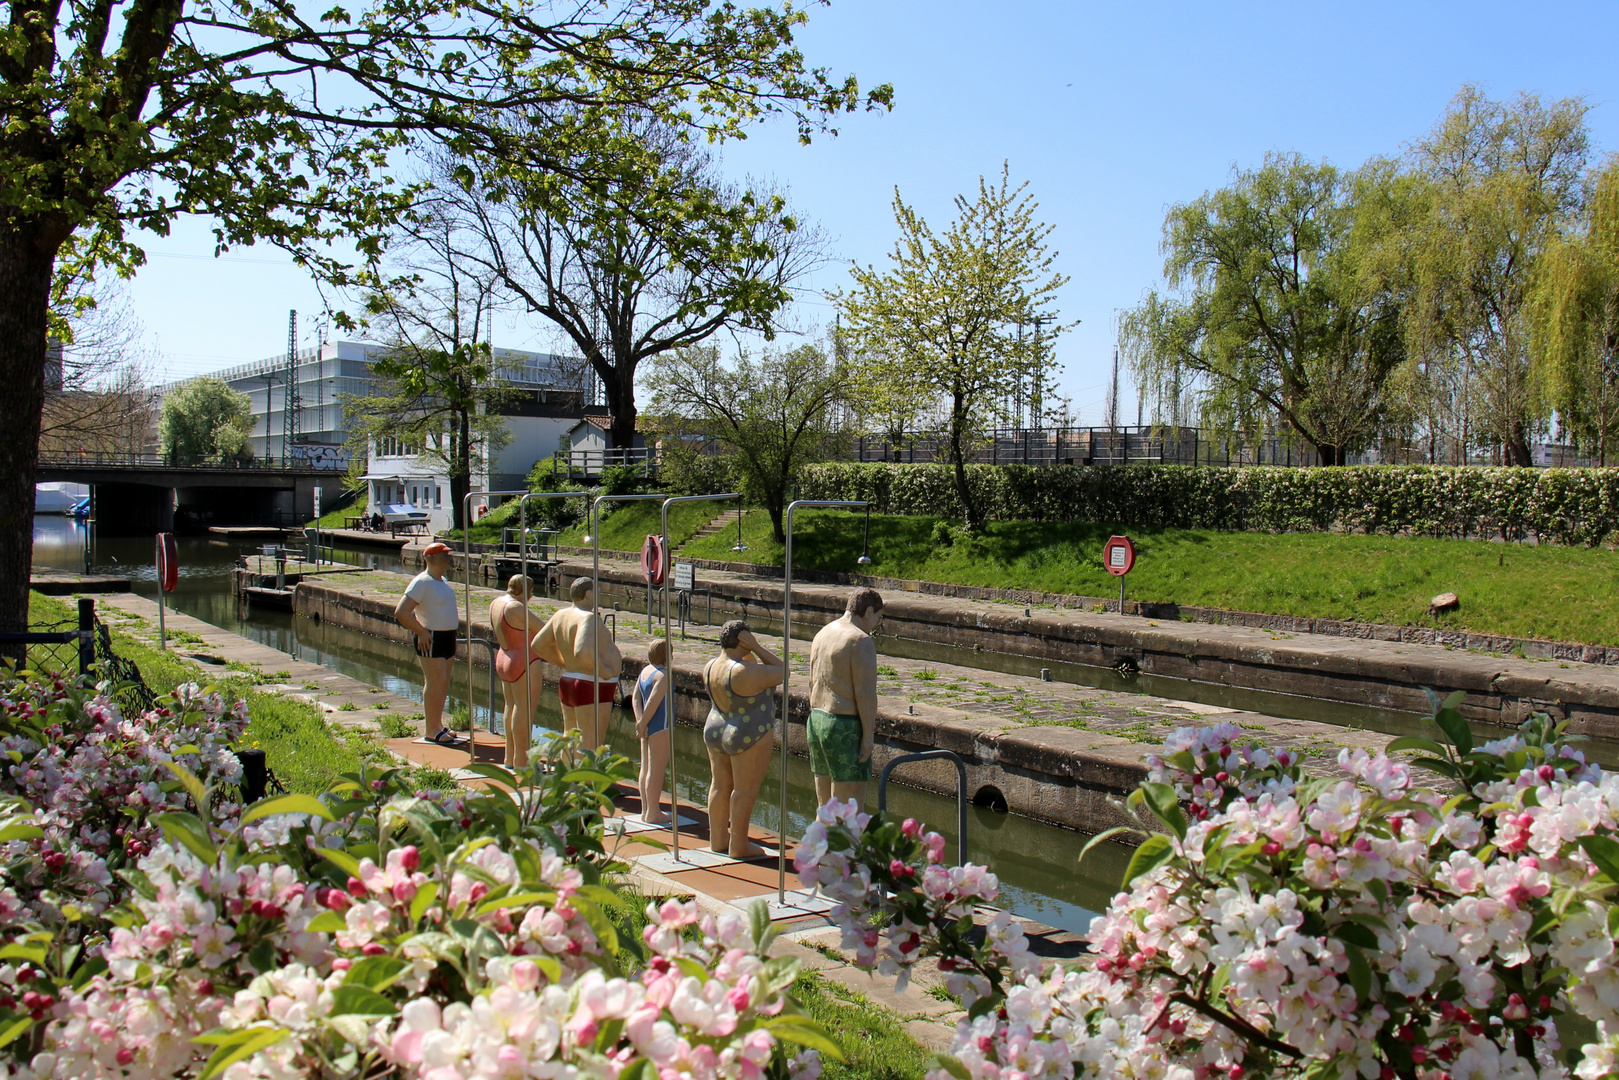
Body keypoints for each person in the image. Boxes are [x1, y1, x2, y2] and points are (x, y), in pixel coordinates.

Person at [702, 620, 782, 859]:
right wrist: (756, 647)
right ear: (743, 638)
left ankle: (717, 839)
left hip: (715, 726)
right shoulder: (742, 671)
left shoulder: (710, 666)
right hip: (747, 731)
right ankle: (739, 845)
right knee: (744, 790)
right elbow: (781, 670)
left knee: (719, 784)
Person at [807, 587, 883, 807]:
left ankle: (821, 842)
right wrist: (868, 736)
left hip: (817, 720)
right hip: (844, 726)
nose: (876, 624)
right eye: (878, 617)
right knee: (848, 811)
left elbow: (811, 682)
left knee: (825, 808)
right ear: (869, 611)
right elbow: (865, 694)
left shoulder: (823, 633)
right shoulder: (860, 640)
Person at [532, 576, 621, 752]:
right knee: (591, 739)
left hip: (570, 679)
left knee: (569, 736)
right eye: (597, 591)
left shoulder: (560, 615)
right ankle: (585, 778)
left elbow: (538, 644)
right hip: (592, 683)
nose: (600, 594)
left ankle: (566, 775)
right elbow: (582, 651)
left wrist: (564, 663)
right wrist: (604, 671)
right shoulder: (588, 618)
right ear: (588, 594)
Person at [394, 542, 463, 747]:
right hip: (431, 637)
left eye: (449, 555)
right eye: (444, 556)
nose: (449, 559)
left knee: (443, 682)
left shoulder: (443, 581)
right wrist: (421, 631)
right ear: (430, 558)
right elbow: (402, 612)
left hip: (447, 637)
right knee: (435, 681)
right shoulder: (421, 582)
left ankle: (438, 724)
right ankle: (431, 729)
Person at [489, 574, 544, 768]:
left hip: (504, 656)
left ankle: (510, 756)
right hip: (524, 660)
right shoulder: (516, 607)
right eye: (530, 591)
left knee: (510, 706)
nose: (531, 596)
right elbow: (543, 629)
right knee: (524, 709)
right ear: (525, 590)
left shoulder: (497, 602)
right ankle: (523, 760)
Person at [631, 638, 672, 825]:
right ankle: (653, 812)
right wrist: (645, 721)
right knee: (656, 769)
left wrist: (640, 722)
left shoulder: (645, 671)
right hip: (660, 726)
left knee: (645, 767)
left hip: (645, 727)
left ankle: (645, 809)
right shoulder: (663, 676)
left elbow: (636, 698)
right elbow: (654, 702)